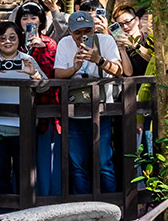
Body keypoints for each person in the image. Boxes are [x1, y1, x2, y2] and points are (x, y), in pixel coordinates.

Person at [53, 10, 123, 194]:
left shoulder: (106, 40)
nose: (83, 36)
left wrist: (98, 59)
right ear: (69, 31)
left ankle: (110, 209)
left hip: (102, 109)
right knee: (78, 164)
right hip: (73, 110)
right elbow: (58, 73)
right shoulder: (65, 43)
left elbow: (119, 70)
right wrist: (74, 68)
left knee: (103, 162)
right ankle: (83, 212)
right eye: (78, 32)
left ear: (94, 29)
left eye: (88, 31)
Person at [0, 21, 45, 194]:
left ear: (19, 39)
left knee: (25, 174)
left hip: (23, 127)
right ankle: (1, 214)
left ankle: (25, 212)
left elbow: (45, 86)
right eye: (2, 38)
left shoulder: (27, 60)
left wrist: (33, 74)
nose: (7, 42)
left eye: (12, 38)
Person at [16, 3, 62, 196]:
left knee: (47, 158)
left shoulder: (50, 44)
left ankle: (49, 198)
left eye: (33, 18)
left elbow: (52, 76)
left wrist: (42, 50)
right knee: (21, 158)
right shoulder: (14, 43)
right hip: (18, 109)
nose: (29, 22)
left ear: (41, 21)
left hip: (47, 109)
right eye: (24, 18)